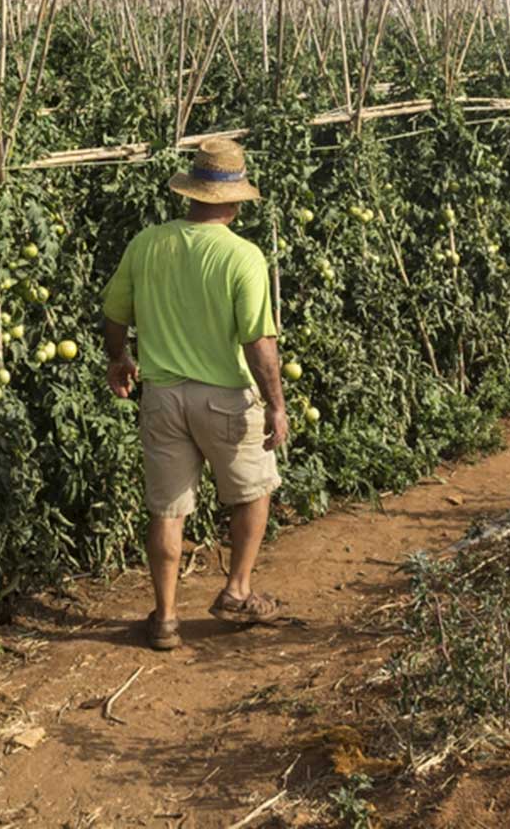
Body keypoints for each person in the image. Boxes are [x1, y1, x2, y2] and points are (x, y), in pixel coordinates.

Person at [101, 136, 290, 651]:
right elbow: (259, 342)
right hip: (225, 397)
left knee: (167, 509)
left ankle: (164, 618)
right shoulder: (242, 256)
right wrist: (276, 404)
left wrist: (120, 360)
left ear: (189, 194)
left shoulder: (147, 243)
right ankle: (236, 589)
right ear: (233, 200)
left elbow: (114, 313)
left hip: (161, 396)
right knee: (252, 492)